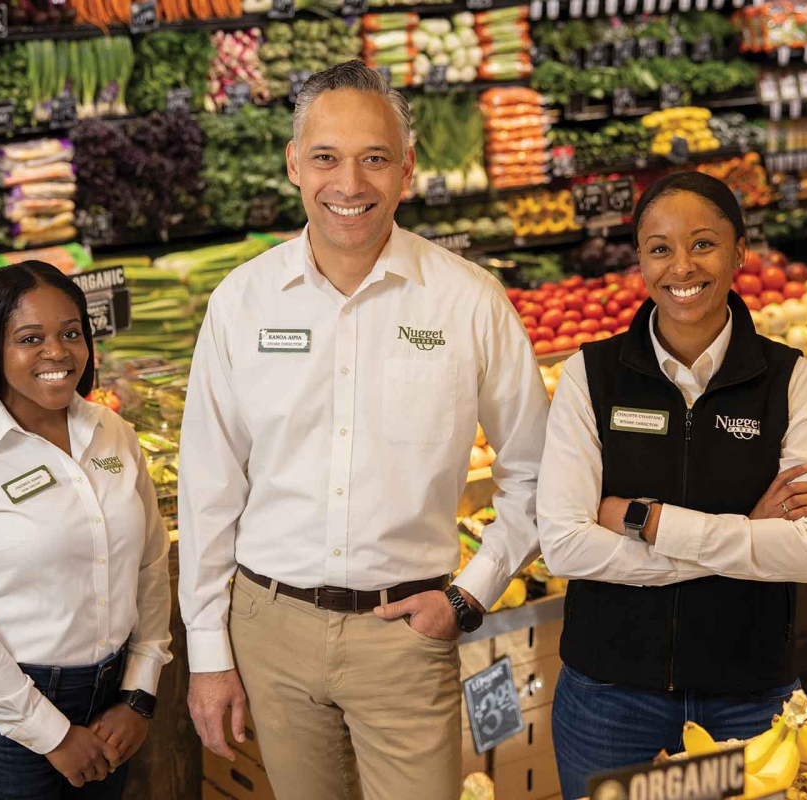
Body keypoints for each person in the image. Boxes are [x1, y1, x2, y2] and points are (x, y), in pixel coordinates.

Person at [177, 60, 549, 800]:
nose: (349, 184)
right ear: (293, 165)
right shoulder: (242, 302)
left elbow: (537, 472)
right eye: (326, 158)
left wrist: (470, 594)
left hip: (406, 635)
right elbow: (209, 488)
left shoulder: (469, 303)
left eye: (374, 159)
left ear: (407, 171)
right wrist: (210, 653)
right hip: (269, 627)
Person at [537, 172, 807, 799]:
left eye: (703, 243)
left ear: (739, 251)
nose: (681, 266)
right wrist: (748, 537)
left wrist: (648, 522)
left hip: (748, 696)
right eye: (659, 248)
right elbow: (565, 547)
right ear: (639, 261)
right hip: (609, 697)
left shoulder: (789, 380)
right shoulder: (588, 377)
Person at [0, 261, 172, 800]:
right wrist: (54, 735)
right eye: (30, 339)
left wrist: (138, 692)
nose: (57, 352)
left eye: (71, 333)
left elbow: (150, 564)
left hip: (111, 708)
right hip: (5, 723)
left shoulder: (113, 433)